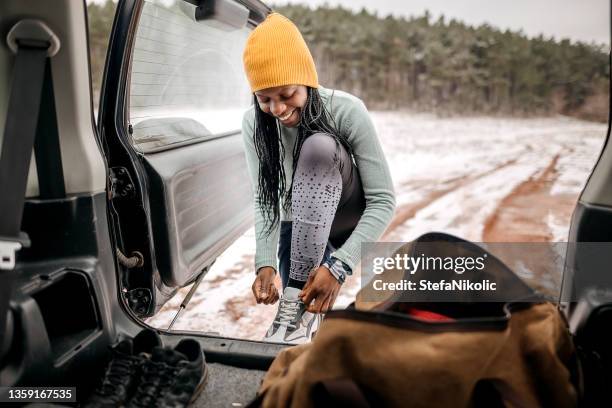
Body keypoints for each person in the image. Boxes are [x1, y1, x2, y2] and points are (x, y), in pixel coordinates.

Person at [241, 12, 395, 344]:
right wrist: (265, 263)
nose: (278, 109)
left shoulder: (347, 110)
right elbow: (266, 199)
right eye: (264, 99)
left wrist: (340, 266)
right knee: (301, 296)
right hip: (297, 224)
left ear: (307, 79)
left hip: (346, 218)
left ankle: (302, 304)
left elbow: (383, 202)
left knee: (318, 146)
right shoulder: (254, 125)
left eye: (286, 94)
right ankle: (297, 316)